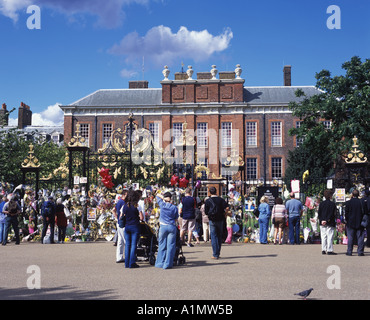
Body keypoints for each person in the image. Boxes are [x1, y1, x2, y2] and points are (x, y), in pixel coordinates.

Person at [155, 191, 179, 269]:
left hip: (163, 226)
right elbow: (176, 218)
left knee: (162, 244)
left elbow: (157, 195)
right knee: (171, 246)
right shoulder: (174, 207)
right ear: (171, 198)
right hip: (171, 226)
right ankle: (167, 264)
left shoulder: (162, 204)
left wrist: (164, 198)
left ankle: (160, 263)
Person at [204, 187, 229, 259]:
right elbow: (227, 208)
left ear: (209, 192)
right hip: (220, 219)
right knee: (219, 236)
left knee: (213, 236)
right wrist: (225, 214)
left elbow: (206, 212)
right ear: (216, 191)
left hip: (212, 220)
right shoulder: (221, 200)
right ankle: (218, 252)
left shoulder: (208, 201)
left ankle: (215, 254)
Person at [121, 190, 142, 268]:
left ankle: (126, 263)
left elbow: (122, 216)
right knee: (134, 245)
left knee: (127, 245)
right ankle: (132, 262)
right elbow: (142, 217)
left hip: (127, 226)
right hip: (135, 226)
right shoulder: (137, 205)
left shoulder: (125, 206)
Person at [345, 189, 366, 256]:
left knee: (350, 237)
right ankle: (360, 251)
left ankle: (349, 251)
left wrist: (347, 220)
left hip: (350, 222)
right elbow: (364, 212)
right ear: (358, 195)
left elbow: (346, 213)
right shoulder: (361, 202)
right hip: (359, 221)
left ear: (352, 195)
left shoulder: (348, 203)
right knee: (360, 237)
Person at [318, 190, 337, 255]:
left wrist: (322, 220)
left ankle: (323, 249)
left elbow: (319, 213)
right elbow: (332, 214)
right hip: (330, 222)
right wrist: (327, 220)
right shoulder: (332, 204)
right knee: (330, 236)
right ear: (330, 196)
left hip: (322, 222)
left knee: (323, 236)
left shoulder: (321, 203)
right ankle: (329, 249)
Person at [115, 190, 128, 263]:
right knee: (126, 241)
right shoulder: (123, 202)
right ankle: (127, 256)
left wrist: (116, 218)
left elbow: (114, 210)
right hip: (123, 223)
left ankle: (119, 257)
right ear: (123, 195)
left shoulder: (119, 201)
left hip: (119, 222)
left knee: (120, 241)